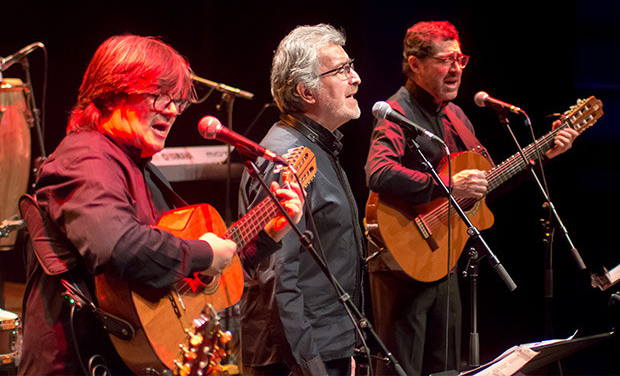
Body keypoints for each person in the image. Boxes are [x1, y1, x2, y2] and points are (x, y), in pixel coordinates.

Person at [18, 34, 303, 375]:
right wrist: (204, 253)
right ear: (110, 93)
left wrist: (265, 236)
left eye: (178, 102)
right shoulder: (85, 157)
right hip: (75, 364)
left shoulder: (138, 167)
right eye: (158, 97)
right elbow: (119, 245)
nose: (172, 110)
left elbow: (190, 278)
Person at [364, 20, 579, 375]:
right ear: (415, 64)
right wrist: (450, 186)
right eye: (445, 60)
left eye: (460, 59)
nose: (456, 69)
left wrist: (544, 154)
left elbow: (487, 183)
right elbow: (379, 173)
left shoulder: (456, 116)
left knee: (447, 369)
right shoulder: (395, 113)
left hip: (444, 261)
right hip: (401, 266)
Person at [238, 23, 366, 375]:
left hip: (326, 348)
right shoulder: (286, 157)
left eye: (350, 66)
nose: (355, 78)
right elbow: (278, 278)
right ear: (305, 91)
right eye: (341, 70)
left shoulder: (317, 146)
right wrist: (311, 366)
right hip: (294, 360)